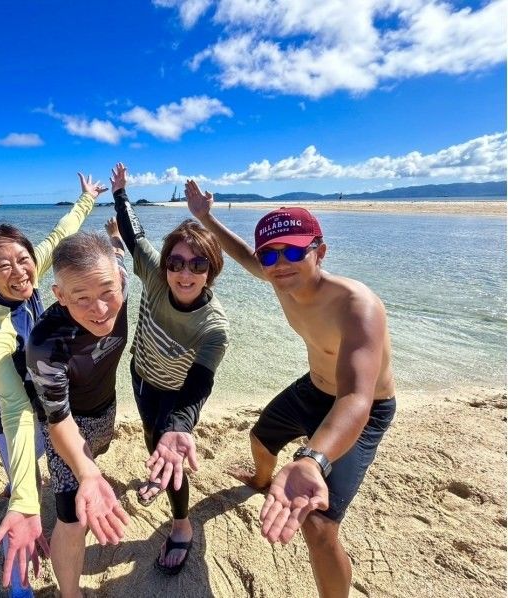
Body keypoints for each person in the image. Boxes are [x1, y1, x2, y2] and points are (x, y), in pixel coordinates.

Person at [186, 180, 397, 598]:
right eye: (271, 254)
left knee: (318, 526)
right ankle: (263, 481)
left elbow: (356, 397)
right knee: (261, 438)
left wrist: (312, 460)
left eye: (295, 250)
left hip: (363, 408)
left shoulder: (358, 306)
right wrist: (205, 219)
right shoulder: (279, 277)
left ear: (321, 250)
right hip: (314, 388)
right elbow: (246, 256)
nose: (281, 263)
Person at [0, 173, 107, 595]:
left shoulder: (31, 271)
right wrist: (27, 501)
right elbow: (15, 408)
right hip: (8, 408)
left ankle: (18, 486)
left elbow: (62, 232)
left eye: (23, 259)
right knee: (23, 502)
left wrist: (86, 200)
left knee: (37, 471)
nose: (19, 270)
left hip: (40, 395)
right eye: (3, 266)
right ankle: (19, 584)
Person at [111, 162, 229, 575]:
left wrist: (181, 426)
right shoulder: (156, 278)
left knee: (171, 450)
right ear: (164, 266)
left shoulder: (213, 327)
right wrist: (121, 193)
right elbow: (133, 234)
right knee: (150, 438)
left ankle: (182, 525)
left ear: (211, 270)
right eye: (176, 262)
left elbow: (200, 384)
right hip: (141, 376)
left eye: (198, 265)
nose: (184, 272)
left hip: (177, 395)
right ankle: (158, 456)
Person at [26, 231, 131, 598]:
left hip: (107, 406)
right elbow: (58, 421)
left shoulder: (121, 281)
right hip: (68, 424)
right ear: (59, 295)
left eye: (107, 293)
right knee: (71, 517)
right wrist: (86, 472)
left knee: (97, 457)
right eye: (81, 299)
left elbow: (117, 251)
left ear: (120, 279)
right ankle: (69, 594)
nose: (100, 311)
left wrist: (116, 235)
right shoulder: (46, 343)